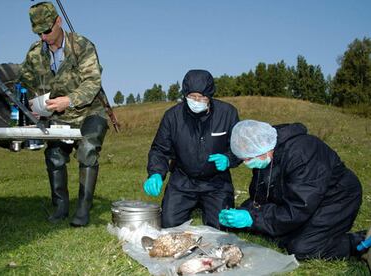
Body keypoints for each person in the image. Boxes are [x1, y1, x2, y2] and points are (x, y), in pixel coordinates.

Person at [219, 119, 366, 260]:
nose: (246, 163)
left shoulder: (303, 155)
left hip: (336, 197)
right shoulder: (265, 150)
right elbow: (262, 190)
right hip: (302, 195)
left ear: (265, 149)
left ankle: (356, 241)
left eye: (248, 159)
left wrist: (253, 218)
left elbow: (298, 208)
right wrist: (250, 211)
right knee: (250, 211)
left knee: (301, 247)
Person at [19, 2, 108, 227]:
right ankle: (60, 207)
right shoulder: (35, 54)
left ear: (58, 22)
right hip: (58, 115)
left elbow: (93, 82)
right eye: (38, 32)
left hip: (89, 110)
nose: (43, 37)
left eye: (47, 30)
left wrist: (68, 100)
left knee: (88, 151)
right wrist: (33, 104)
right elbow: (25, 82)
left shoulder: (82, 46)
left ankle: (83, 208)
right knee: (54, 156)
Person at [143, 69, 241, 229]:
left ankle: (209, 208)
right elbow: (160, 149)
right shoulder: (172, 116)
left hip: (216, 182)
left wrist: (229, 158)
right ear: (185, 95)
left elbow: (239, 146)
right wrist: (155, 173)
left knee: (222, 228)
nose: (197, 101)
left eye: (202, 97)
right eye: (192, 96)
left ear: (210, 96)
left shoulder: (227, 113)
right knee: (169, 225)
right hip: (183, 180)